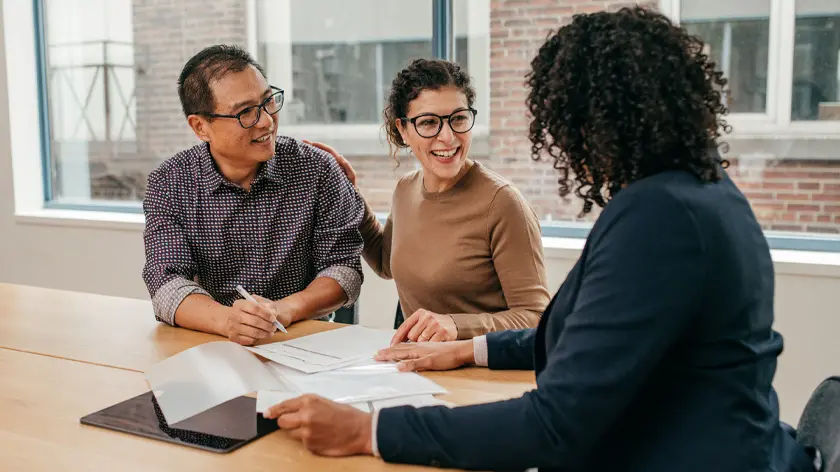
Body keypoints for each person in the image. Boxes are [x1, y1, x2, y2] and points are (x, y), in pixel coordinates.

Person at [264, 7, 818, 471]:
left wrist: (372, 431)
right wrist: (468, 349)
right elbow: (581, 335)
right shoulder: (693, 194)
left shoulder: (661, 218)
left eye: (562, 122)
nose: (558, 140)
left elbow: (557, 423)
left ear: (596, 121)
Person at [307, 58, 550, 344]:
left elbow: (535, 317)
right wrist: (348, 193)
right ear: (403, 130)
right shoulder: (406, 189)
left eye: (458, 118)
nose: (447, 137)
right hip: (421, 364)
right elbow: (387, 264)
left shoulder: (503, 203)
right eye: (428, 123)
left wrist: (455, 326)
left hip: (481, 374)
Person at [141, 45, 364, 346]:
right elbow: (166, 283)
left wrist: (284, 310)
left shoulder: (318, 169)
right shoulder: (169, 183)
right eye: (245, 112)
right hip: (212, 343)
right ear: (200, 126)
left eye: (268, 102)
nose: (266, 121)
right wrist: (227, 321)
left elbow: (345, 269)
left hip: (303, 341)